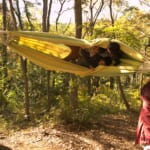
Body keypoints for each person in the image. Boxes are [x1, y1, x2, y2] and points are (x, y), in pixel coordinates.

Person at [135, 80, 150, 150]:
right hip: (146, 113)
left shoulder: (145, 87)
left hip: (145, 113)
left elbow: (142, 96)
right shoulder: (146, 87)